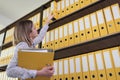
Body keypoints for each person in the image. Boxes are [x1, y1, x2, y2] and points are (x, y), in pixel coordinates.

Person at [6, 14, 54, 80]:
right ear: (28, 33)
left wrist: (47, 22)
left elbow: (40, 37)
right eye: (34, 28)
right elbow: (9, 71)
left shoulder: (30, 44)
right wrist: (39, 73)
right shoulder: (23, 46)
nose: (36, 29)